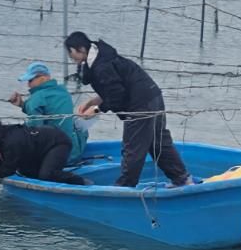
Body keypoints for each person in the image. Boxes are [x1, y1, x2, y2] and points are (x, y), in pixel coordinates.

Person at [64, 31, 192, 187]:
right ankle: (183, 179)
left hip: (140, 105)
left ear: (80, 49)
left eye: (71, 53)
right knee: (158, 143)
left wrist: (96, 110)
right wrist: (92, 101)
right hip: (152, 96)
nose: (71, 58)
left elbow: (117, 94)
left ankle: (125, 187)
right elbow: (117, 85)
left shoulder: (101, 66)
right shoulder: (102, 55)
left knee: (133, 148)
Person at [8, 61, 87, 164]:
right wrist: (22, 105)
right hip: (74, 151)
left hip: (55, 156)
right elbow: (50, 109)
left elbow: (34, 132)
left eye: (30, 80)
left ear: (42, 78)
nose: (28, 84)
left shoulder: (36, 98)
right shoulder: (63, 92)